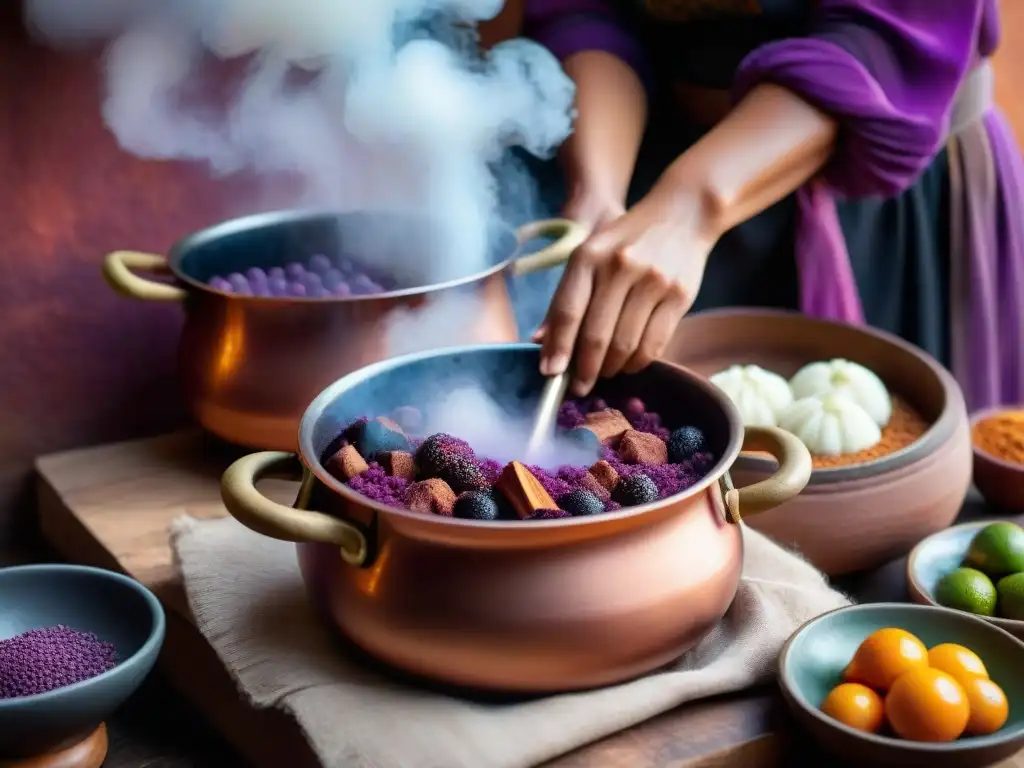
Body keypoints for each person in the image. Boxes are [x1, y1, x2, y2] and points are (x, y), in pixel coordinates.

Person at [515, 0, 1023, 411]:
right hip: (645, 161)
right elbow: (583, 11)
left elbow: (883, 40)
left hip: (887, 186)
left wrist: (689, 209)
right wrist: (598, 191)